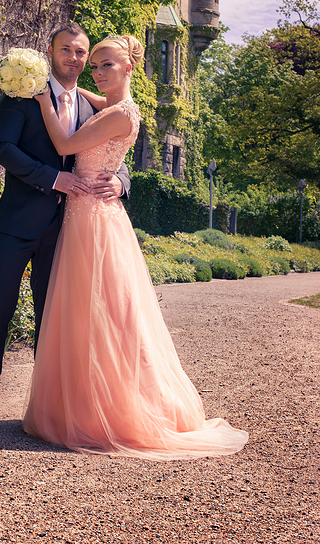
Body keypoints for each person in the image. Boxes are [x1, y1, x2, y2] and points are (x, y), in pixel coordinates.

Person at [23, 34, 248, 460]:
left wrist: (43, 100)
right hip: (85, 216)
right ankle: (84, 403)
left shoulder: (119, 114)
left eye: (108, 64)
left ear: (130, 69)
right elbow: (87, 94)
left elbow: (66, 146)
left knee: (109, 314)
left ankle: (117, 409)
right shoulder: (112, 106)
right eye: (97, 65)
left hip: (95, 223)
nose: (98, 71)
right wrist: (68, 90)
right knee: (84, 315)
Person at [0, 23, 131, 434]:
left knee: (56, 320)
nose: (75, 59)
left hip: (67, 231)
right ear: (51, 51)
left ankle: (52, 409)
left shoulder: (92, 106)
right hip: (17, 223)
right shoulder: (23, 94)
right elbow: (3, 148)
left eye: (81, 52)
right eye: (67, 50)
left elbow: (115, 153)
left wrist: (122, 182)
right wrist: (53, 177)